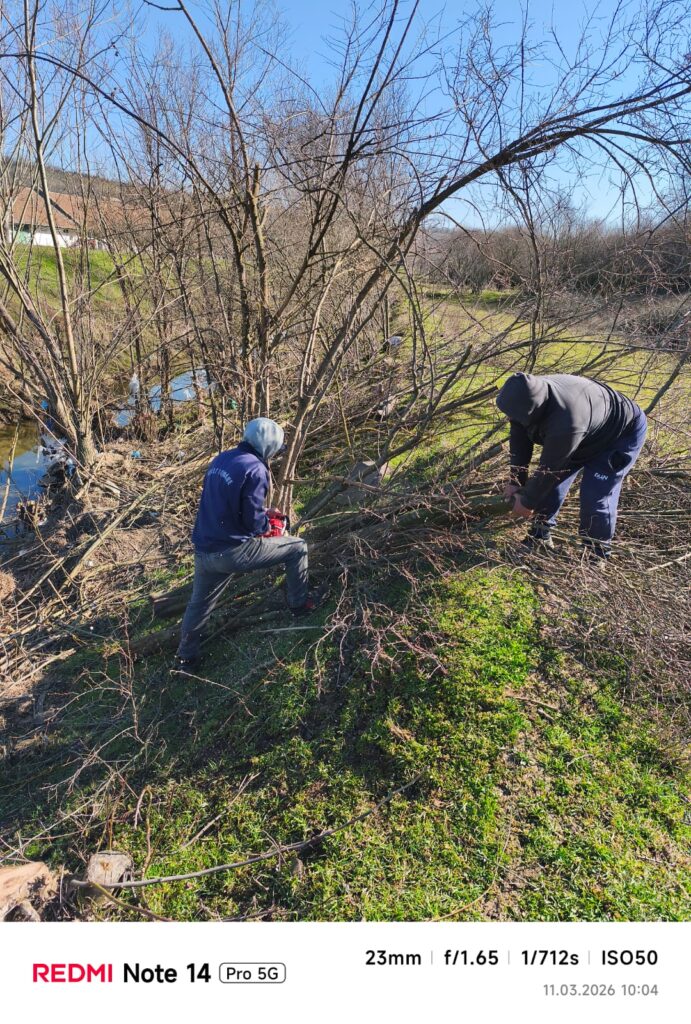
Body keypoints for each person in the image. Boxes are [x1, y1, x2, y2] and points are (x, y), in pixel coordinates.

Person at [175, 418, 323, 668]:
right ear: (268, 445)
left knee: (199, 605)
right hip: (233, 553)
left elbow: (227, 504)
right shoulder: (256, 469)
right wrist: (268, 526)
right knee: (297, 548)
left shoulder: (221, 460)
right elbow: (253, 522)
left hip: (204, 549)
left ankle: (186, 657)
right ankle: (300, 605)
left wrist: (263, 512)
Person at [495, 372, 647, 559]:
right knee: (549, 487)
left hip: (619, 435)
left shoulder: (566, 421)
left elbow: (550, 469)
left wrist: (527, 502)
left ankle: (596, 555)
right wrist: (516, 481)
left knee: (594, 497)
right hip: (587, 428)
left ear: (533, 409)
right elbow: (520, 440)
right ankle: (540, 537)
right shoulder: (524, 399)